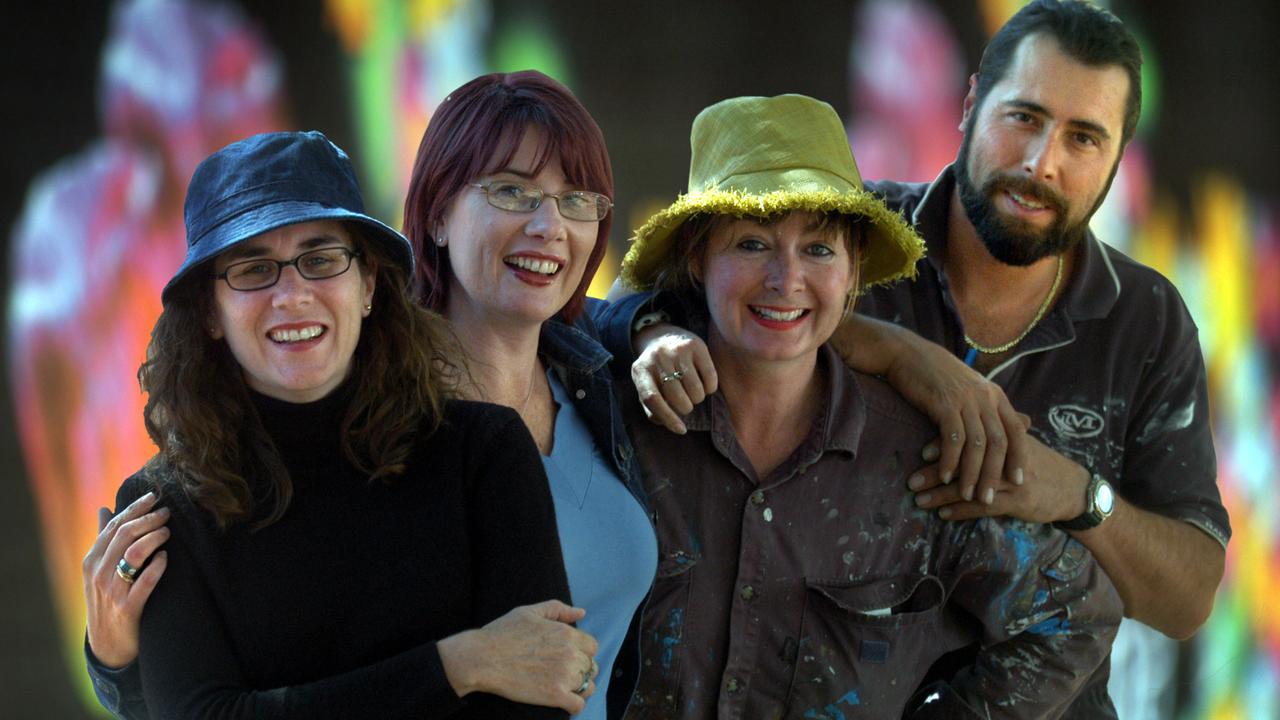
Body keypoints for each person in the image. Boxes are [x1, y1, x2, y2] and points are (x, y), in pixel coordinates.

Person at [625, 2, 1229, 717]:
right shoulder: (850, 229)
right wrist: (894, 349)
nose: (1043, 163)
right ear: (971, 103)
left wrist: (1075, 493)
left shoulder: (1145, 319)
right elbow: (657, 289)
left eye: (1084, 138)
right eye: (1024, 118)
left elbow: (1188, 599)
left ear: (1118, 158)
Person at [83, 130, 599, 719]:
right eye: (254, 270)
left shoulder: (483, 452)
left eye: (321, 260)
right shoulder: (165, 506)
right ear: (209, 313)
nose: (293, 294)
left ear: (369, 286)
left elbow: (539, 691)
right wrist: (459, 664)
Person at [401, 70, 658, 720]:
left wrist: (911, 357)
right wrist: (114, 657)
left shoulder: (595, 375)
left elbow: (757, 314)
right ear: (436, 214)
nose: (550, 226)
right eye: (513, 192)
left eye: (576, 200)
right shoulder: (371, 413)